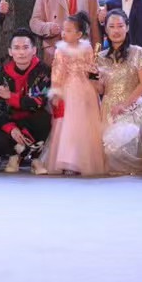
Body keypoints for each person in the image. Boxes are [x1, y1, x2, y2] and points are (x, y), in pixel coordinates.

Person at [37, 11, 106, 176]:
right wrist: (56, 92)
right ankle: (67, 161)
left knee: (85, 125)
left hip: (86, 90)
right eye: (63, 29)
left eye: (68, 30)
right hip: (68, 90)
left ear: (79, 34)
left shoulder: (87, 48)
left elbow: (91, 67)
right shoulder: (60, 50)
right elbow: (57, 73)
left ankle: (83, 161)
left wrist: (94, 73)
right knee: (68, 125)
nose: (63, 33)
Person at [96, 8, 142, 175]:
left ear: (127, 27)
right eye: (111, 26)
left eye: (120, 26)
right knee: (108, 153)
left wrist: (124, 105)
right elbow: (100, 89)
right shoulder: (100, 57)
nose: (116, 30)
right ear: (106, 29)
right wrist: (92, 78)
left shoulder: (138, 52)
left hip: (131, 107)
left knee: (121, 149)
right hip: (108, 107)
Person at [0, 30, 51, 173]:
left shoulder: (44, 71)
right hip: (11, 119)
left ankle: (36, 159)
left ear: (34, 50)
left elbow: (38, 101)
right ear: (10, 51)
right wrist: (11, 128)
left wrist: (10, 96)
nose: (21, 52)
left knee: (44, 119)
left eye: (26, 47)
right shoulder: (1, 73)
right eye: (16, 48)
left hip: (33, 118)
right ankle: (13, 155)